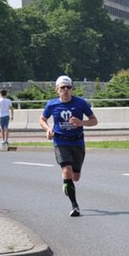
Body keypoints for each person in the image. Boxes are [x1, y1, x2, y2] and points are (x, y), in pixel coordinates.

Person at [39, 75, 98, 217]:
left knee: (76, 177)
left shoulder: (80, 103)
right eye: (62, 87)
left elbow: (94, 121)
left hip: (77, 142)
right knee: (67, 171)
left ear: (72, 89)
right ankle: (75, 206)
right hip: (60, 142)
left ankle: (67, 183)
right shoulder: (52, 104)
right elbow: (42, 119)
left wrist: (81, 123)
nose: (65, 90)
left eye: (68, 87)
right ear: (57, 90)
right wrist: (48, 129)